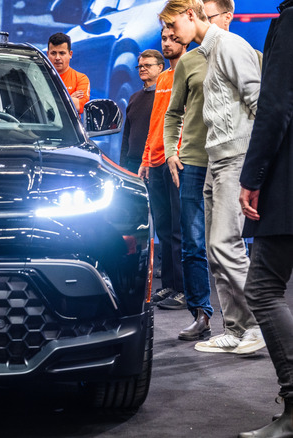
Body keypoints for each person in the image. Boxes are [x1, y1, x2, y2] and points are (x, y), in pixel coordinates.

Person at [159, 0, 265, 353]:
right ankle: (235, 329)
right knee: (214, 251)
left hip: (235, 158)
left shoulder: (232, 46)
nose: (171, 34)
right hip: (214, 159)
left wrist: (258, 168)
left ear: (191, 14)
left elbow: (260, 104)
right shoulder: (201, 54)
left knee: (226, 245)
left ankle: (257, 326)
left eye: (173, 24)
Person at [238, 1, 293, 436]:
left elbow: (274, 107)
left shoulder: (291, 21)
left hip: (288, 182)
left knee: (262, 289)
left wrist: (251, 176)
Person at [138, 28, 187, 311]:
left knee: (181, 230)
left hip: (178, 162)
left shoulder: (190, 71)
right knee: (166, 230)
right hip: (156, 162)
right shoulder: (164, 78)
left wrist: (177, 153)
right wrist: (146, 157)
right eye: (164, 39)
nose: (167, 43)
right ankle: (169, 285)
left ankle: (184, 289)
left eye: (172, 38)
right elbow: (158, 122)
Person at [120, 49, 164, 173]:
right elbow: (126, 135)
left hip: (156, 163)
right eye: (140, 66)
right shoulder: (133, 98)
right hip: (132, 163)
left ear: (160, 67)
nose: (142, 69)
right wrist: (123, 164)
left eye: (148, 65)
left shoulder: (166, 96)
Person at [47, 32, 90, 114]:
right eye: (53, 53)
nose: (57, 58)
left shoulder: (81, 78)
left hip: (70, 126)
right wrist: (69, 98)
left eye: (62, 53)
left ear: (70, 54)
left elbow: (81, 106)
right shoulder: (38, 76)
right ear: (47, 54)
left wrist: (51, 100)